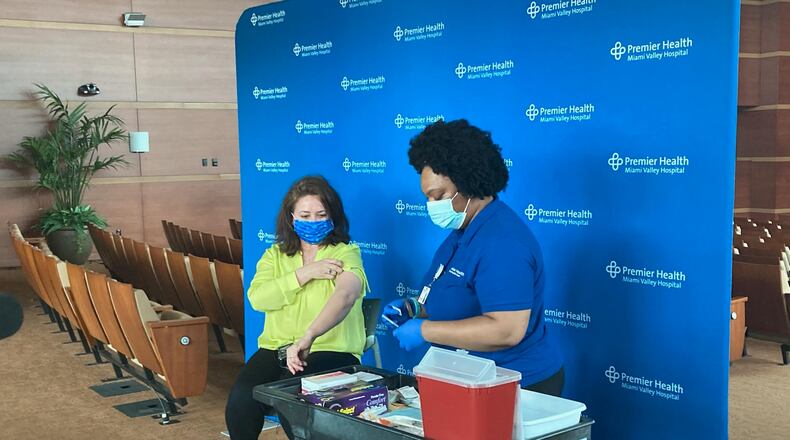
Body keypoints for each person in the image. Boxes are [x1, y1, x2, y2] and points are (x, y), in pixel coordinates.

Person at [384, 119, 564, 396]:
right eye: (428, 198)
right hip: (471, 378)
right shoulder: (461, 233)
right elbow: (457, 302)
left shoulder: (503, 243)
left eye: (438, 196)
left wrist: (425, 330)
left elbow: (506, 330)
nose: (432, 206)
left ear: (468, 182)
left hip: (518, 385)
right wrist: (414, 310)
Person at [225, 175, 369, 439]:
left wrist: (308, 337)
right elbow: (258, 298)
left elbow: (346, 295)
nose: (313, 221)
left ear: (332, 216)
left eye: (320, 214)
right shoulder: (274, 255)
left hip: (330, 349)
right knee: (241, 400)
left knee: (294, 404)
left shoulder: (345, 252)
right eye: (305, 215)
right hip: (276, 348)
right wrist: (305, 273)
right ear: (291, 218)